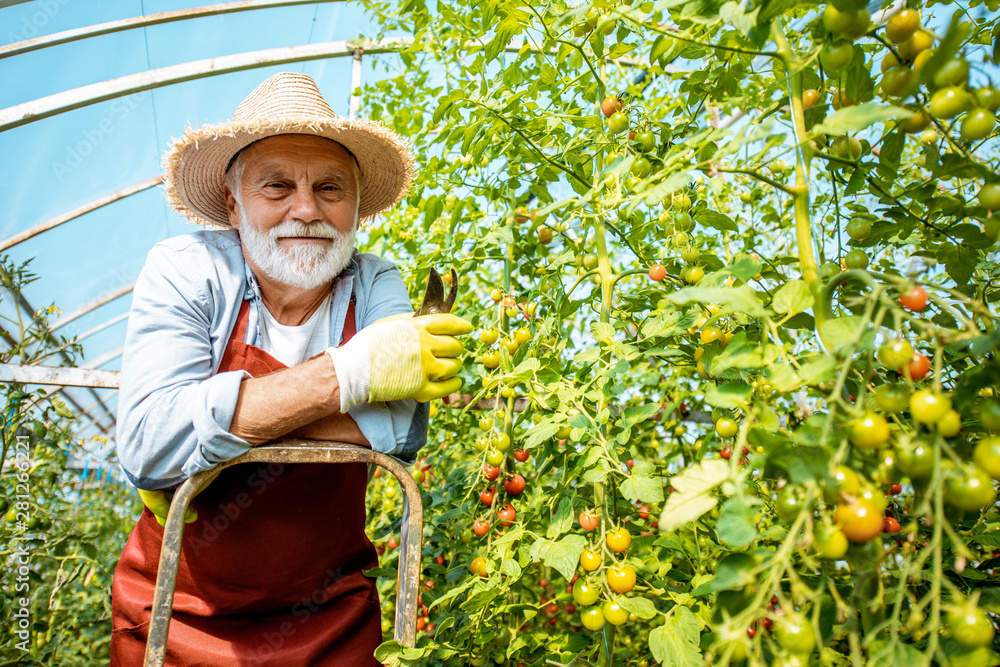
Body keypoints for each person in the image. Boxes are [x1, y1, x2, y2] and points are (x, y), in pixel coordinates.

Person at [109, 72, 471, 666]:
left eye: (330, 188)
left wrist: (213, 428)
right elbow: (148, 442)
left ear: (355, 205)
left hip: (330, 616)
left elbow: (401, 433)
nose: (306, 209)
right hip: (180, 610)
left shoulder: (374, 281)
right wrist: (350, 379)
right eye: (277, 185)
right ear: (233, 202)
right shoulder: (187, 270)